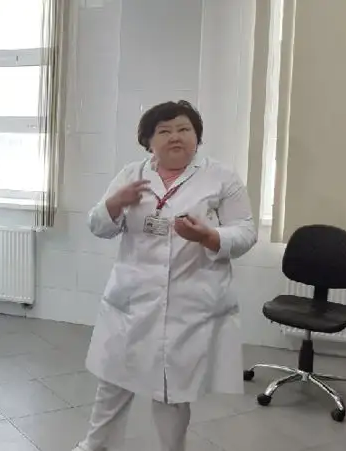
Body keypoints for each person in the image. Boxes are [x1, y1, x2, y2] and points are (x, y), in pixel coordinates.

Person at [73, 101, 257, 451]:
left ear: (197, 137)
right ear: (148, 141)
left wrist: (208, 236)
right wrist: (114, 203)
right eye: (165, 131)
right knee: (113, 383)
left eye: (184, 129)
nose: (176, 137)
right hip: (132, 301)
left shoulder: (221, 177)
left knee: (171, 392)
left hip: (188, 303)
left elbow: (246, 232)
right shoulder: (131, 174)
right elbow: (98, 226)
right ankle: (94, 446)